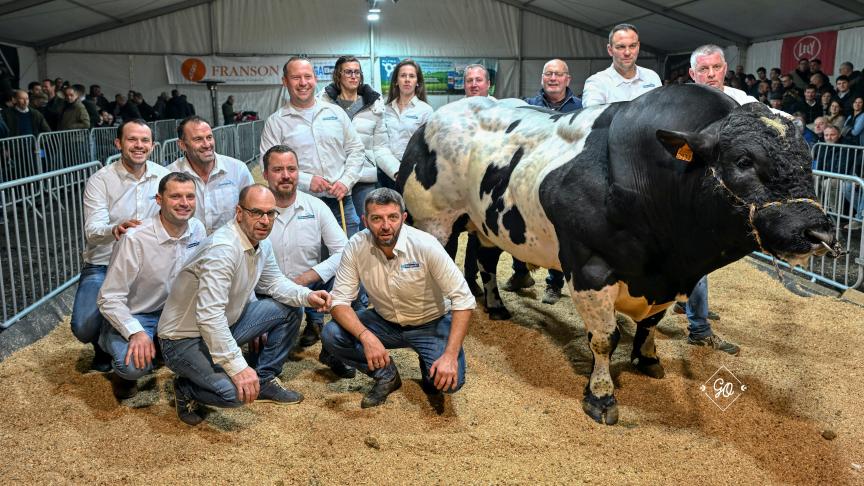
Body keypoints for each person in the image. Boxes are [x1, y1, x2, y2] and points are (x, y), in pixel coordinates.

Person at [158, 184, 332, 425]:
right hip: (182, 339)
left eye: (270, 213)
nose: (265, 220)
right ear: (239, 212)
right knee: (235, 394)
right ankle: (186, 387)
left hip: (225, 325)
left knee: (291, 308)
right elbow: (210, 317)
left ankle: (264, 378)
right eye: (256, 212)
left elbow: (274, 284)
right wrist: (238, 366)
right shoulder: (223, 250)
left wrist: (306, 296)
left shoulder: (261, 243)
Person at [321, 188, 475, 408]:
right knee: (332, 333)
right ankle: (387, 375)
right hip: (384, 321)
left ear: (403, 217)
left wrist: (450, 356)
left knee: (448, 384)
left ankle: (429, 361)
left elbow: (464, 299)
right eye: (377, 218)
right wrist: (366, 336)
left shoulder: (425, 244)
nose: (385, 226)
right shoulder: (355, 246)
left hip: (432, 323)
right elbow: (338, 302)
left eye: (392, 217)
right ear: (365, 220)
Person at [681, 44, 765, 355]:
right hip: (686, 193)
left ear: (725, 68)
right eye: (704, 69)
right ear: (693, 74)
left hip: (723, 197)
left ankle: (687, 300)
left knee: (705, 256)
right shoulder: (681, 103)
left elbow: (766, 128)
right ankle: (699, 326)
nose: (711, 74)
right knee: (696, 256)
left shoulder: (742, 101)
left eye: (716, 67)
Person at [96, 172, 206, 400]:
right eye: (175, 196)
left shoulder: (197, 229)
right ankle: (112, 344)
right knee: (133, 367)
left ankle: (160, 345)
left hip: (175, 312)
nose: (184, 203)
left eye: (190, 197)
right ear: (159, 200)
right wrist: (135, 332)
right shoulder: (134, 238)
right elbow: (109, 297)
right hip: (139, 313)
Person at [73, 120, 170, 371]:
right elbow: (92, 232)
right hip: (103, 263)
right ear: (118, 143)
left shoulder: (163, 176)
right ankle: (103, 341)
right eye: (132, 140)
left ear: (153, 145)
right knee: (83, 327)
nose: (139, 145)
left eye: (145, 140)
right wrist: (114, 230)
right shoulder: (101, 180)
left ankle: (141, 338)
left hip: (148, 265)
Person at [260, 145, 352, 376]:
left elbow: (344, 250)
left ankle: (334, 350)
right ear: (265, 175)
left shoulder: (316, 206)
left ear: (299, 173)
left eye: (291, 169)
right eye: (278, 169)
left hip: (309, 283)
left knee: (352, 285)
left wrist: (309, 276)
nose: (286, 176)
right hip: (266, 290)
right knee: (259, 357)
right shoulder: (256, 209)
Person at [502, 58, 581, 305]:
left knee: (557, 232)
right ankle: (521, 273)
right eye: (549, 74)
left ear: (567, 79)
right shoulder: (528, 106)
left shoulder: (581, 108)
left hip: (563, 181)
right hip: (528, 177)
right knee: (519, 225)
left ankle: (554, 284)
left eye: (558, 74)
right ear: (542, 78)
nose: (553, 78)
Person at [259, 57, 366, 238]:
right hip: (301, 205)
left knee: (348, 258)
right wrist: (308, 181)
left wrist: (346, 182)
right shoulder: (276, 122)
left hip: (341, 202)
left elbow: (356, 150)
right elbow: (267, 167)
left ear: (315, 79)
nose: (303, 83)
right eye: (295, 78)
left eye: (307, 76)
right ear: (285, 81)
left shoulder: (335, 113)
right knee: (308, 259)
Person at [318, 55, 394, 224]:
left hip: (363, 179)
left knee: (367, 227)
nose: (353, 76)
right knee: (333, 229)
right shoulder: (323, 105)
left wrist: (397, 171)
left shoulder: (374, 106)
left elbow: (380, 147)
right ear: (338, 75)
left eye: (357, 72)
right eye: (348, 72)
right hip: (333, 181)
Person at [167, 116, 254, 234]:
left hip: (231, 247)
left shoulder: (237, 169)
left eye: (209, 137)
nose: (207, 144)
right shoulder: (169, 175)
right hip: (188, 250)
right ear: (182, 145)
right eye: (198, 139)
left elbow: (253, 209)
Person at [459, 64, 495, 297]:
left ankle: (472, 278)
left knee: (480, 235)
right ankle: (456, 283)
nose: (474, 84)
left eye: (479, 80)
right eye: (470, 80)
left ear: (488, 84)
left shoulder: (502, 110)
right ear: (464, 85)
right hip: (459, 185)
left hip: (489, 184)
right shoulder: (453, 111)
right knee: (452, 235)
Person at [374, 58, 434, 189]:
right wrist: (394, 170)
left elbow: (428, 148)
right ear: (396, 81)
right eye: (403, 76)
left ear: (417, 82)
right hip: (386, 172)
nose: (407, 79)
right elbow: (380, 144)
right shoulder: (385, 109)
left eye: (412, 76)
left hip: (414, 174)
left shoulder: (426, 111)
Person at [582, 24, 661, 107]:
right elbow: (592, 118)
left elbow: (661, 111)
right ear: (610, 50)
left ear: (638, 47)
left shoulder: (652, 77)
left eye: (632, 46)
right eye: (621, 47)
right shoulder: (597, 83)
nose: (627, 52)